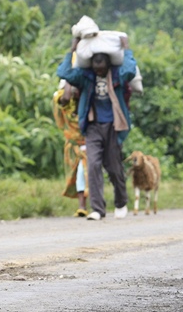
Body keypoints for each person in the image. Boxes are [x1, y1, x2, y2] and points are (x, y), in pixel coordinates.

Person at [57, 36, 136, 220]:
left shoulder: (117, 74)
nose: (98, 71)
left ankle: (121, 202)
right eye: (95, 68)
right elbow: (64, 72)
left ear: (108, 65)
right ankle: (98, 209)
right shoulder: (86, 77)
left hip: (113, 126)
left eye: (101, 68)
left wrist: (127, 48)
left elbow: (130, 70)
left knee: (114, 168)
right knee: (92, 165)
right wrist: (72, 49)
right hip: (92, 126)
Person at [53, 79, 89, 217]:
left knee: (83, 172)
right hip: (73, 145)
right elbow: (64, 98)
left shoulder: (88, 103)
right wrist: (70, 79)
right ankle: (82, 205)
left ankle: (85, 205)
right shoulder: (64, 104)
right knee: (77, 173)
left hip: (89, 143)